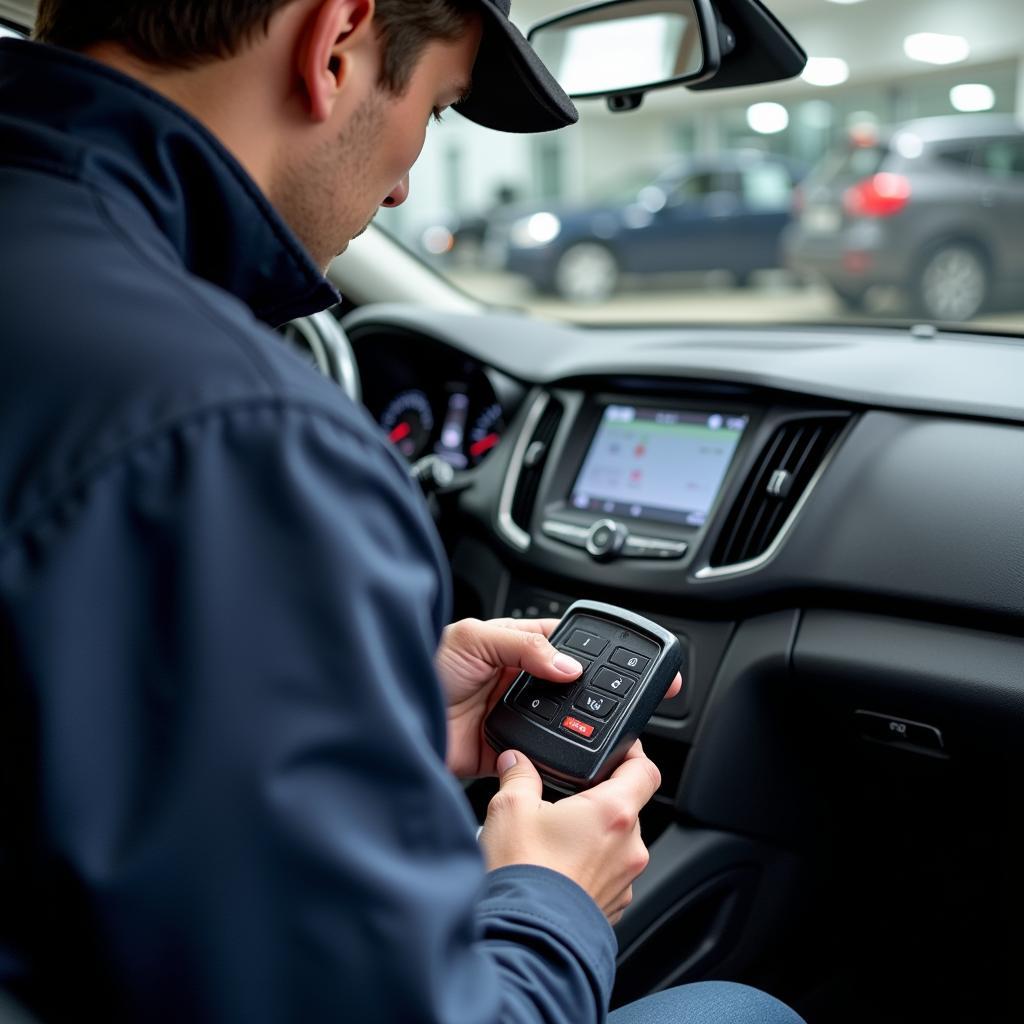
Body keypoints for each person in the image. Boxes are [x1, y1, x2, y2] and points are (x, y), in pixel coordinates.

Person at [0, 2, 806, 1022]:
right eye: (438, 106)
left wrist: (367, 711)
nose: (404, 182)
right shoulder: (238, 441)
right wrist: (551, 902)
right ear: (334, 39)